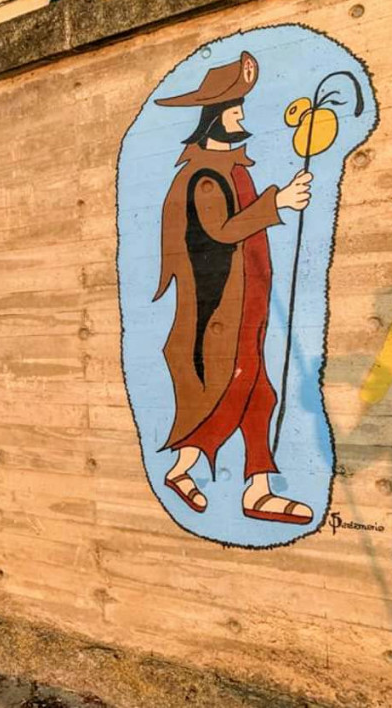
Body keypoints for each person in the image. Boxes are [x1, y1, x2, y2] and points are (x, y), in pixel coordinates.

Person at [153, 51, 314, 525]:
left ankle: (251, 489)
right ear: (214, 120)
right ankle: (206, 471)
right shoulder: (203, 177)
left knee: (256, 391)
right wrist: (278, 201)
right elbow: (221, 230)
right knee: (245, 388)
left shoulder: (232, 169)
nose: (243, 119)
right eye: (235, 111)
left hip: (249, 305)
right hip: (223, 313)